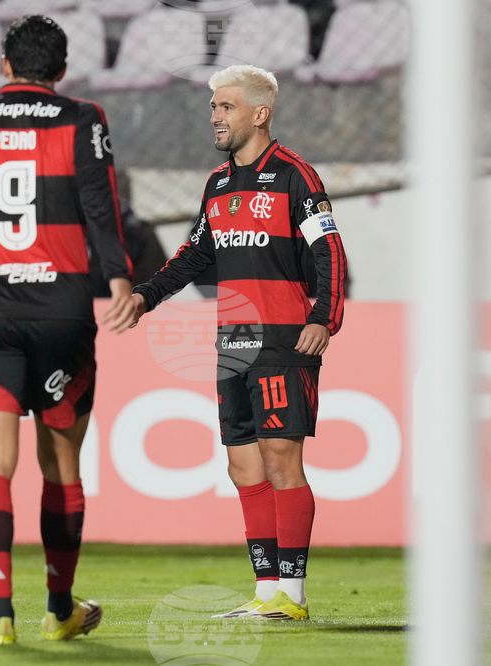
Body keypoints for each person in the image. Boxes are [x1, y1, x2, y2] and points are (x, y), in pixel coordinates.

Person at [0, 15, 135, 645]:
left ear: (4, 65)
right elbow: (100, 203)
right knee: (61, 466)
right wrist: (120, 278)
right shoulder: (82, 117)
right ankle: (60, 608)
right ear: (63, 70)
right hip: (62, 312)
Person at [126, 65, 347, 621]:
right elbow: (197, 254)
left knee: (280, 459)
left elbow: (330, 253)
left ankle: (292, 597)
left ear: (259, 113)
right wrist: (146, 295)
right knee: (243, 466)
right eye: (214, 107)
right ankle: (266, 591)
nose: (215, 116)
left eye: (225, 107)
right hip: (233, 341)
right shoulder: (217, 183)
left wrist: (324, 316)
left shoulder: (297, 177)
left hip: (283, 338)